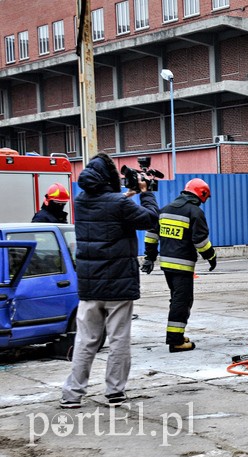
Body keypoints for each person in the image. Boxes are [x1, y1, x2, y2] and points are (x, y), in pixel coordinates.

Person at [60, 153, 159, 408]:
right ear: (108, 178)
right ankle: (114, 391)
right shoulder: (118, 204)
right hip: (118, 286)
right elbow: (150, 218)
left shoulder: (81, 202)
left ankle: (72, 394)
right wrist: (146, 193)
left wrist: (129, 194)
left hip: (90, 285)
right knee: (118, 340)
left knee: (85, 340)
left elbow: (109, 206)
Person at [142, 179, 216, 353]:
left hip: (166, 265)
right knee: (182, 302)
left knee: (176, 300)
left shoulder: (165, 209)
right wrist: (211, 257)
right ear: (201, 195)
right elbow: (200, 241)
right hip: (183, 267)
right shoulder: (194, 212)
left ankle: (177, 335)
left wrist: (150, 258)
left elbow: (151, 235)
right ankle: (175, 341)